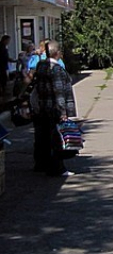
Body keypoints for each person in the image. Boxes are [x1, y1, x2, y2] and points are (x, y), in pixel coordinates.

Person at [29, 40, 76, 177]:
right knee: (57, 139)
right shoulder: (56, 69)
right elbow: (59, 91)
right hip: (54, 109)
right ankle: (58, 167)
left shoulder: (41, 65)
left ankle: (41, 164)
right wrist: (62, 112)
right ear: (57, 53)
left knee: (42, 138)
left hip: (42, 107)